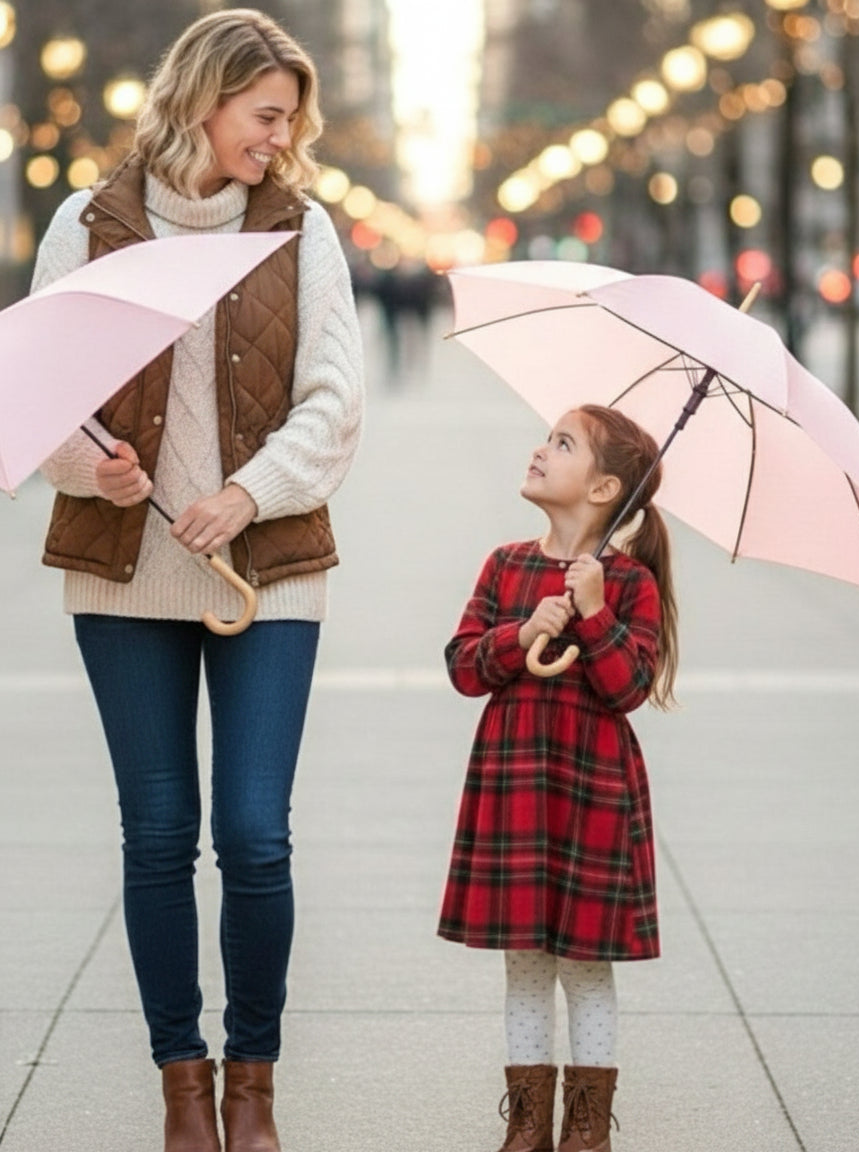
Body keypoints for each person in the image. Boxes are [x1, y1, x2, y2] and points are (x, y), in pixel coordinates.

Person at [32, 10, 363, 1152]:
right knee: (158, 831)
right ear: (206, 100)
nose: (280, 139)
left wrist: (248, 493)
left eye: (290, 121)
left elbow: (334, 399)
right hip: (125, 573)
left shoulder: (299, 227)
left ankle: (253, 1083)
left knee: (256, 832)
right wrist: (95, 465)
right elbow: (38, 391)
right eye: (266, 116)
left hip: (265, 568)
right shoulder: (89, 223)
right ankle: (184, 1082)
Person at [438, 405, 678, 1152]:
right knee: (525, 962)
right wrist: (525, 631)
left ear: (603, 489)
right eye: (548, 439)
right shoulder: (506, 566)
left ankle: (584, 1125)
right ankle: (529, 1119)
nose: (541, 451)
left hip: (592, 793)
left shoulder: (627, 583)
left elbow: (629, 685)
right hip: (515, 789)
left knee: (585, 962)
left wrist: (596, 611)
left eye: (562, 444)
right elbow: (463, 666)